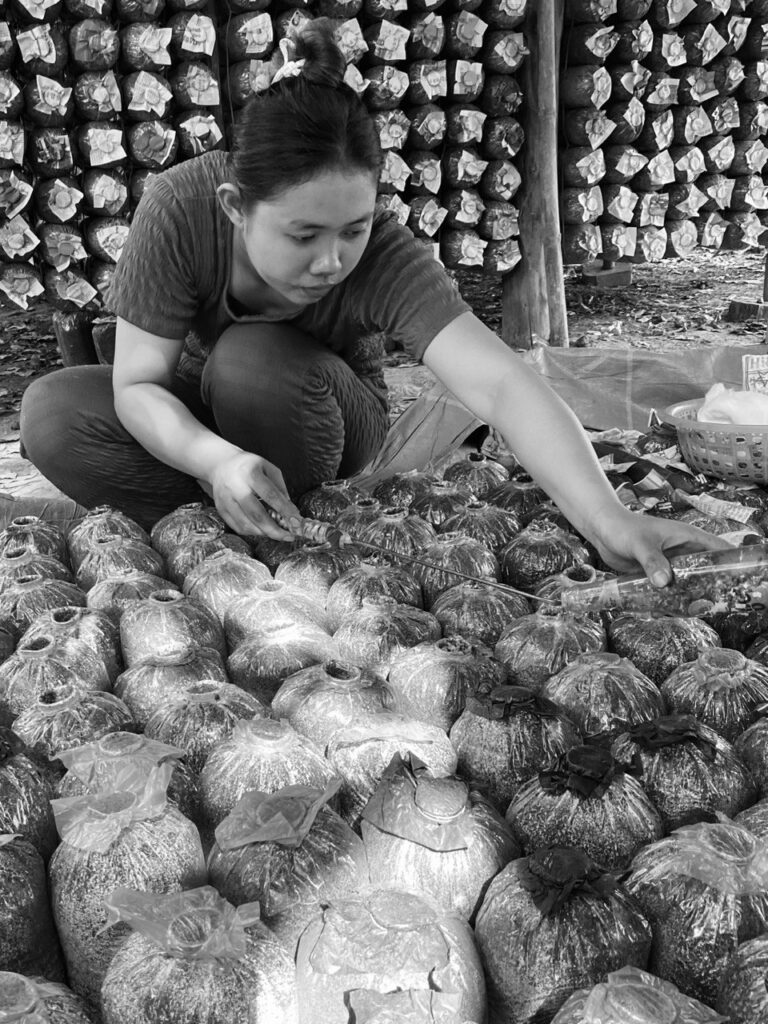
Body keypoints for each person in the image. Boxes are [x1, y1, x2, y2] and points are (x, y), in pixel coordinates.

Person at [20, 19, 722, 586]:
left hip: (324, 416)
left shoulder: (383, 254)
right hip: (206, 416)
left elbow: (504, 385)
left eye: (352, 229)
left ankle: (273, 524)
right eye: (303, 234)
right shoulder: (178, 209)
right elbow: (139, 384)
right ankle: (230, 524)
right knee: (52, 413)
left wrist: (608, 520)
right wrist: (213, 461)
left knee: (252, 359)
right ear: (235, 206)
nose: (332, 261)